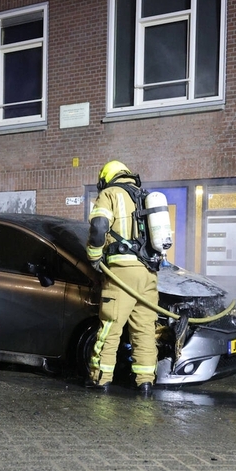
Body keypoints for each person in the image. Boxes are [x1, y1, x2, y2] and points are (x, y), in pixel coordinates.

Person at [85, 160, 159, 394]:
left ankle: (100, 379)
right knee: (145, 330)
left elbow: (98, 228)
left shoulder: (110, 194)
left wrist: (94, 256)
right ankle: (145, 382)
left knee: (110, 327)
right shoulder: (144, 196)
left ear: (106, 178)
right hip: (148, 273)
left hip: (121, 273)